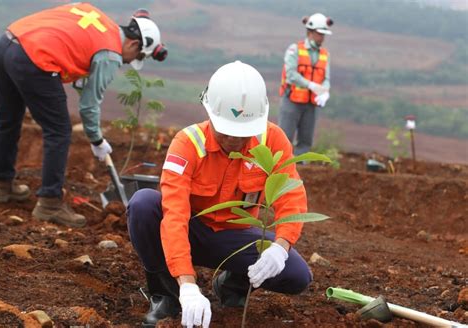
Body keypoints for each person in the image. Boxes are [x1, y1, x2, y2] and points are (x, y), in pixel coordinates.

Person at [127, 61, 312, 327]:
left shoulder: (272, 140)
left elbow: (291, 197)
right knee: (144, 204)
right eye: (226, 131)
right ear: (210, 113)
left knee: (296, 276)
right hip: (192, 231)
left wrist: (280, 247)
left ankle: (231, 285)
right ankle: (165, 296)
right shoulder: (187, 143)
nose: (234, 140)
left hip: (235, 237)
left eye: (242, 133)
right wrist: (187, 285)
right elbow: (175, 214)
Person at [0, 3, 167, 227]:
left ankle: (0, 185)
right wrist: (96, 139)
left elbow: (72, 51)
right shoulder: (110, 53)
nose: (126, 62)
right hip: (35, 58)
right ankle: (50, 203)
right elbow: (89, 104)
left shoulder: (98, 19)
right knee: (58, 130)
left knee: (8, 120)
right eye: (133, 57)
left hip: (7, 44)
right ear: (134, 43)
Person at [278, 13, 333, 156]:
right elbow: (290, 75)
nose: (322, 37)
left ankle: (302, 166)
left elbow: (326, 78)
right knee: (284, 136)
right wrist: (311, 85)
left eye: (324, 34)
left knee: (306, 139)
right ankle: (281, 165)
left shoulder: (325, 54)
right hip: (292, 100)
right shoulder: (295, 49)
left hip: (311, 104)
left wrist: (325, 91)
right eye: (320, 34)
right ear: (310, 32)